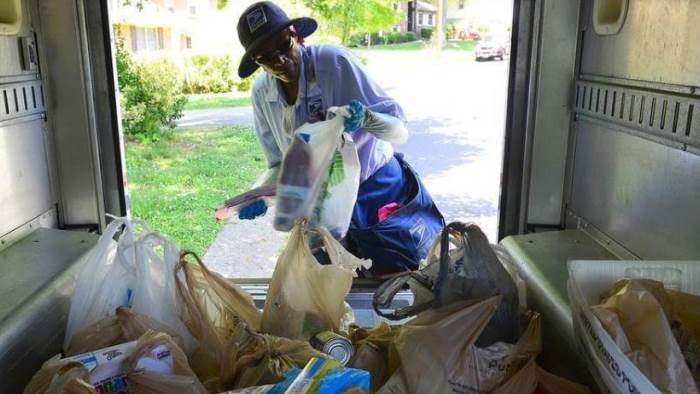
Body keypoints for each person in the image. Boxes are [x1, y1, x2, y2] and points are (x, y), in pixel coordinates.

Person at [235, 1, 444, 276]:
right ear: (256, 62)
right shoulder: (262, 94)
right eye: (265, 57)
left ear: (297, 36)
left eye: (284, 45)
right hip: (320, 205)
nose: (280, 60)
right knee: (328, 287)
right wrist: (258, 193)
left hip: (375, 191)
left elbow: (400, 131)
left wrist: (369, 119)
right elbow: (278, 165)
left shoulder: (334, 63)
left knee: (395, 282)